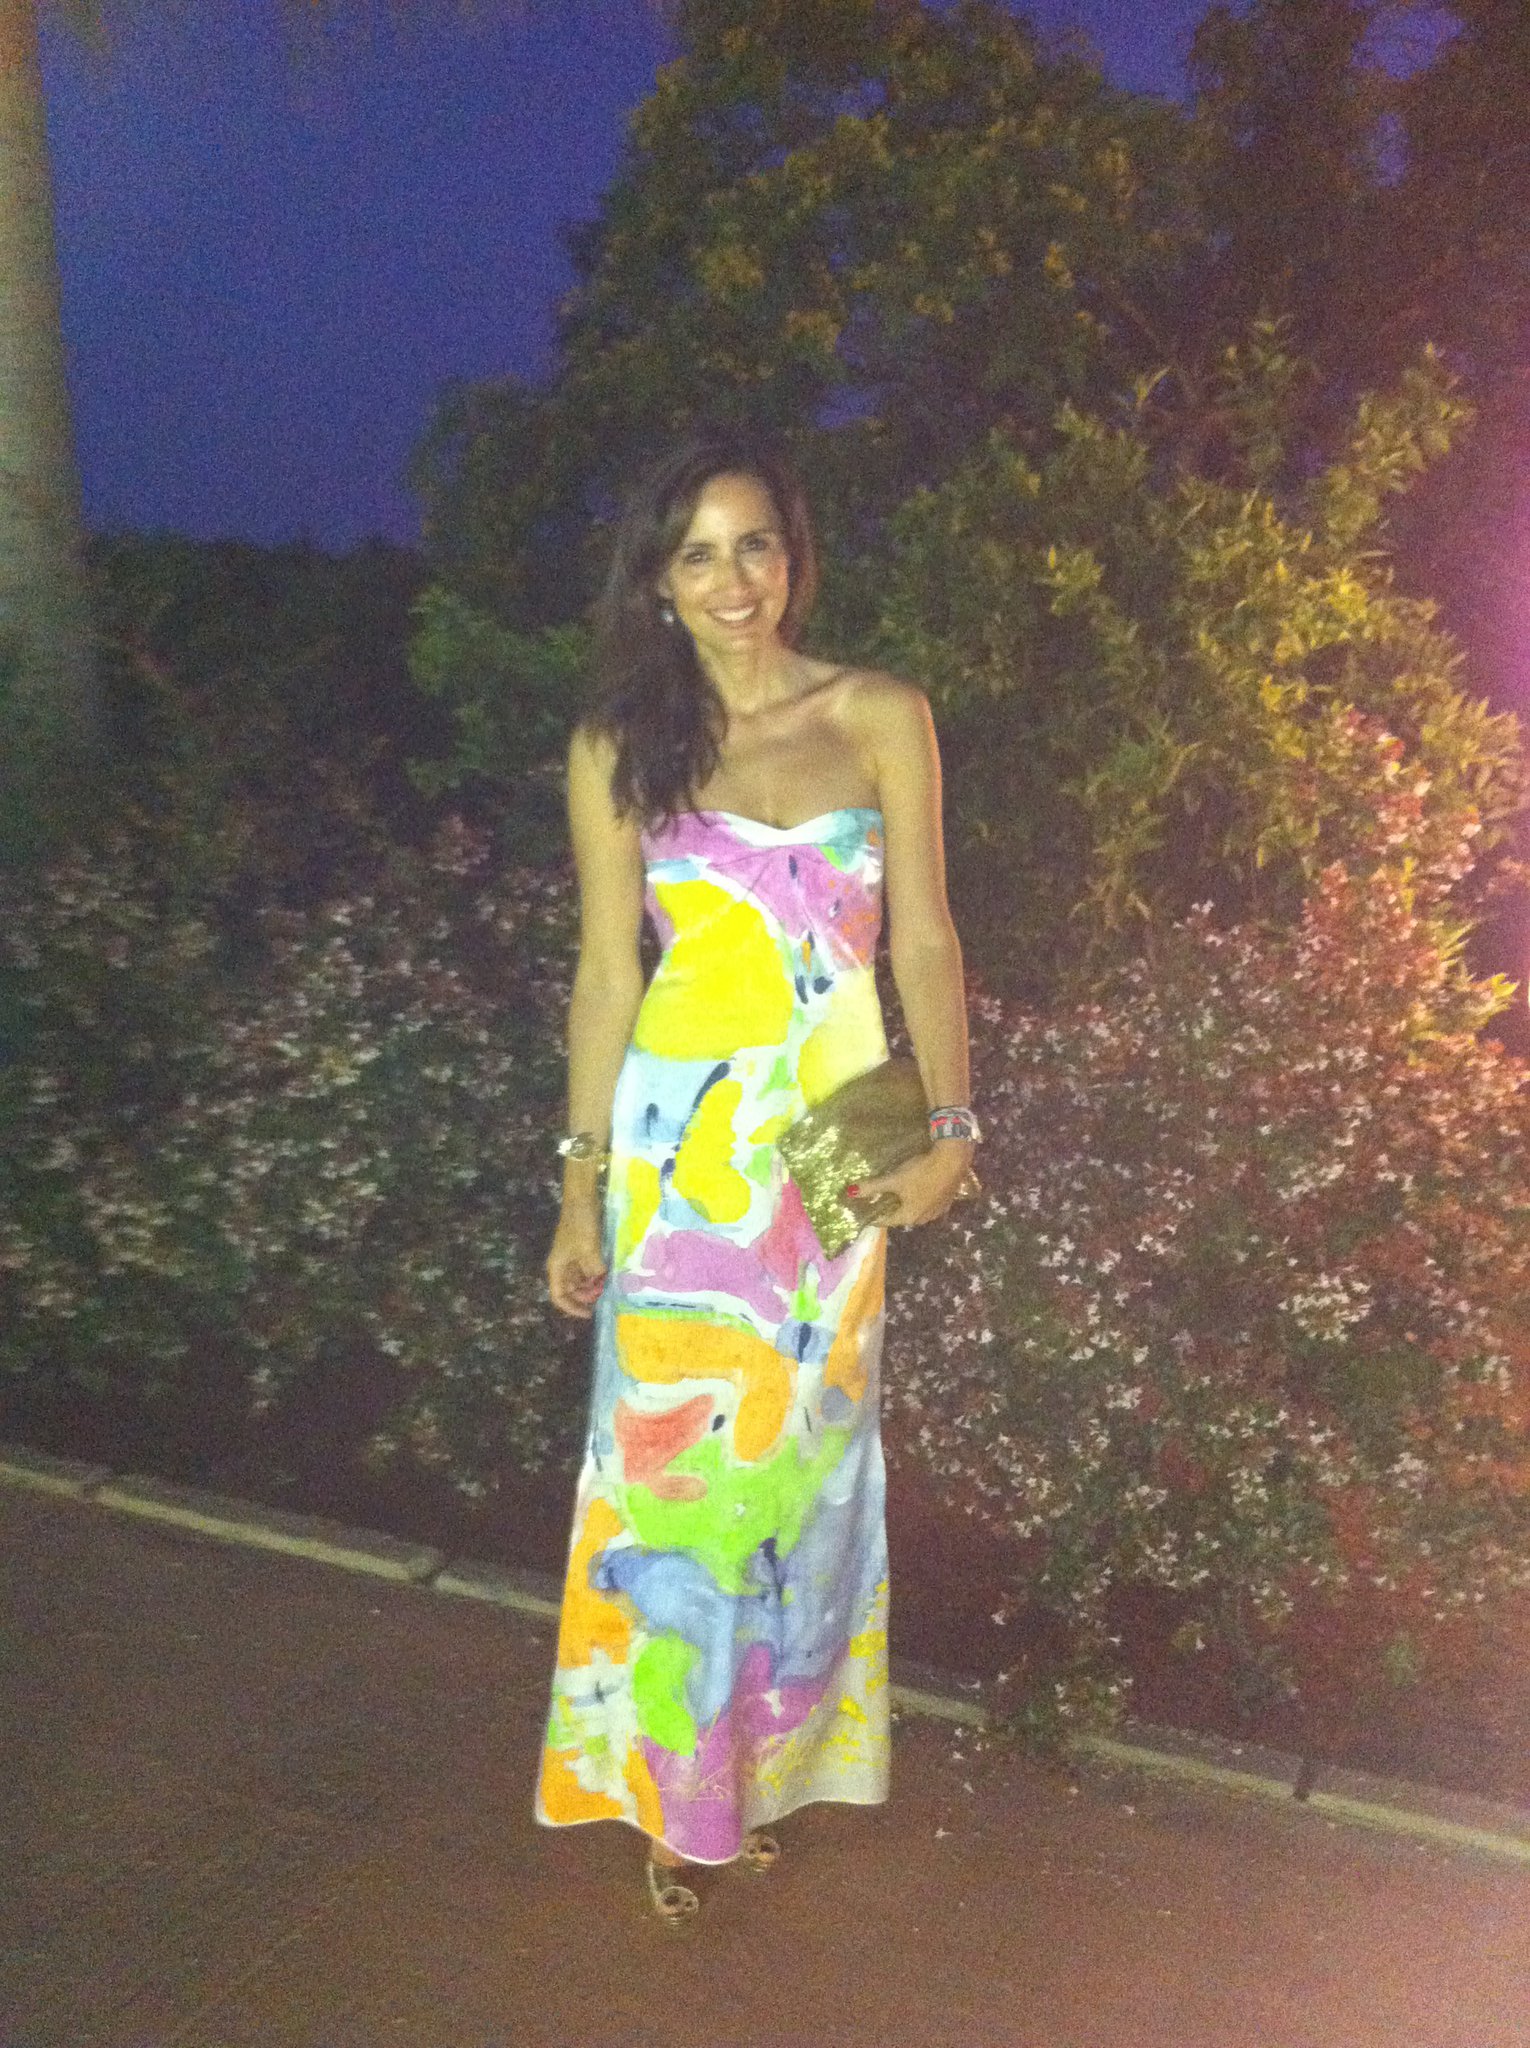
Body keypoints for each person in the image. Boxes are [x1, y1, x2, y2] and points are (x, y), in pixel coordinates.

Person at [538, 433, 977, 1924]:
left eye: (756, 545)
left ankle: (766, 1769)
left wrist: (953, 1131)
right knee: (677, 1476)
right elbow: (608, 974)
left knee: (805, 1467)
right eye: (698, 554)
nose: (733, 581)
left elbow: (925, 937)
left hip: (839, 1132)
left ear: (794, 556)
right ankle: (680, 1795)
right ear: (656, 583)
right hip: (680, 1153)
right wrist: (579, 1187)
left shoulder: (880, 713)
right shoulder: (619, 744)